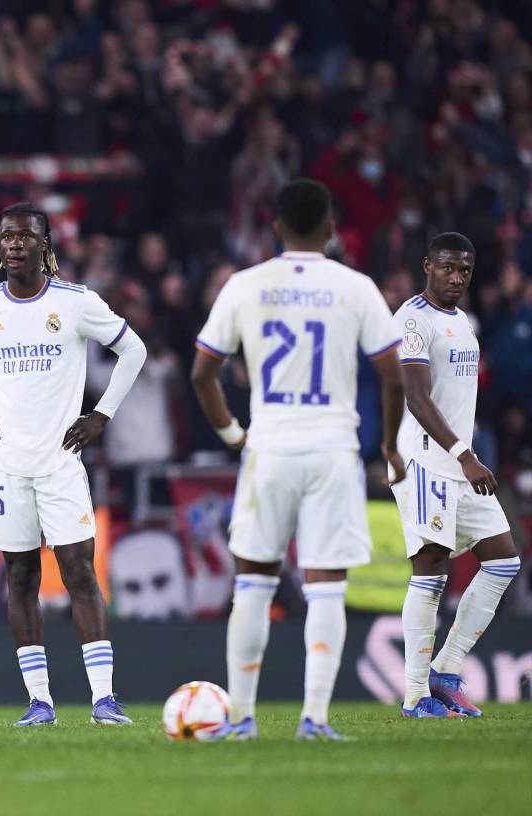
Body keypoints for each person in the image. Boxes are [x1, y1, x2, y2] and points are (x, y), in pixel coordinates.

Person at [190, 178, 405, 741]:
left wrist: (233, 434)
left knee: (254, 582)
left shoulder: (245, 285)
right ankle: (314, 719)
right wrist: (388, 443)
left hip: (270, 448)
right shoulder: (355, 287)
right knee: (327, 583)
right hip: (335, 449)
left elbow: (202, 373)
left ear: (277, 227)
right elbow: (393, 373)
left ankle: (240, 720)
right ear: (332, 229)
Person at [0, 202, 147, 726]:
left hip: (61, 463)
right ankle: (39, 702)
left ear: (45, 245)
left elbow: (132, 350)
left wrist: (102, 414)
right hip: (4, 466)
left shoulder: (76, 303)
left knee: (79, 574)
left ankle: (103, 699)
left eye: (25, 236)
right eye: (6, 237)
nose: (15, 245)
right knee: (20, 577)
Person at [392, 232, 521, 718]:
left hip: (460, 462)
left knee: (504, 560)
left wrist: (465, 457)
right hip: (426, 462)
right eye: (447, 268)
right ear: (427, 265)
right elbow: (417, 398)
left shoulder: (462, 321)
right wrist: (465, 454)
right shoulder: (411, 320)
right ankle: (414, 696)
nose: (456, 278)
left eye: (464, 270)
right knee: (430, 571)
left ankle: (445, 670)